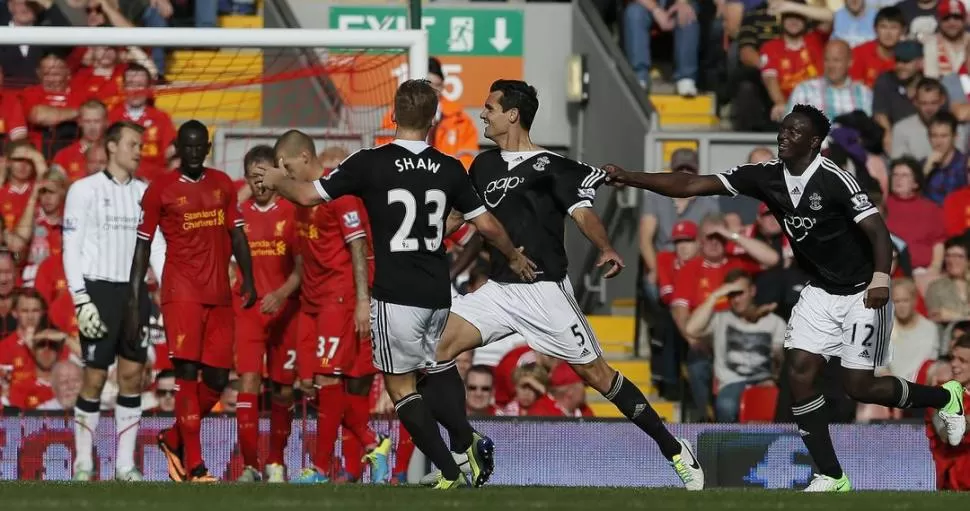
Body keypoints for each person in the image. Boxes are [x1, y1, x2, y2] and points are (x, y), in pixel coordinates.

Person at [605, 103, 967, 492]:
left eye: (794, 132)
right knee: (798, 372)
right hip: (819, 291)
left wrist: (881, 278)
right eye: (782, 129)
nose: (783, 136)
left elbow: (879, 233)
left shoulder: (835, 179)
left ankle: (945, 397)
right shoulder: (766, 177)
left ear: (814, 142)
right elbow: (693, 184)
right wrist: (630, 177)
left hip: (864, 292)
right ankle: (831, 474)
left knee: (859, 387)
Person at [419, 79, 703, 490]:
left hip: (544, 289)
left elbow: (583, 213)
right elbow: (460, 218)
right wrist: (417, 240)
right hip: (498, 290)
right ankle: (463, 455)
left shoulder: (554, 166)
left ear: (512, 114)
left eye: (490, 107)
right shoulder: (482, 166)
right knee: (433, 352)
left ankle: (675, 451)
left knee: (598, 377)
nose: (483, 114)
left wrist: (605, 247)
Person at [252, 79, 535, 489]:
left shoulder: (370, 162)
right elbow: (486, 224)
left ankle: (451, 470)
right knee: (436, 368)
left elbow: (310, 196)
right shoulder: (450, 166)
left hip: (395, 293)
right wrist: (512, 255)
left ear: (393, 115)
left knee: (401, 388)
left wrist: (278, 182)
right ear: (433, 119)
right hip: (438, 292)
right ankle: (465, 441)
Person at [127, 119, 257, 482]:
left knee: (216, 379)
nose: (195, 153)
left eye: (201, 147)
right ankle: (195, 464)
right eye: (189, 147)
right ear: (179, 149)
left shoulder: (223, 185)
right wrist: (136, 295)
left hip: (219, 293)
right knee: (186, 373)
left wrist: (249, 277)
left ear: (208, 149)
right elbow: (142, 244)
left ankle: (172, 438)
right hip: (181, 293)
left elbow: (237, 233)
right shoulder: (160, 189)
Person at [261, 134, 392, 486]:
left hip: (339, 298)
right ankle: (373, 443)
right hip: (312, 303)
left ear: (305, 157)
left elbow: (358, 246)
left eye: (287, 167)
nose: (285, 174)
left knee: (328, 379)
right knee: (315, 386)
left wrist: (363, 300)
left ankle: (319, 469)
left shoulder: (340, 192)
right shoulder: (301, 199)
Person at [63, 120, 167, 482]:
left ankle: (125, 465)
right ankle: (83, 463)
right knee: (93, 377)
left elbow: (157, 246)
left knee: (133, 375)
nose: (139, 150)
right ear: (111, 146)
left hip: (135, 294)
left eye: (140, 145)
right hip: (98, 291)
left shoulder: (146, 192)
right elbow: (70, 248)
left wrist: (167, 292)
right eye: (132, 144)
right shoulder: (83, 190)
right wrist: (81, 299)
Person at [233, 145, 301, 483]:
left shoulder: (293, 212)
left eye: (264, 177)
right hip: (248, 312)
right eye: (253, 178)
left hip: (286, 310)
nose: (260, 185)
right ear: (245, 179)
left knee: (283, 390)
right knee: (248, 382)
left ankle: (275, 460)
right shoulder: (237, 214)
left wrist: (281, 293)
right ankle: (249, 465)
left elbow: (303, 268)